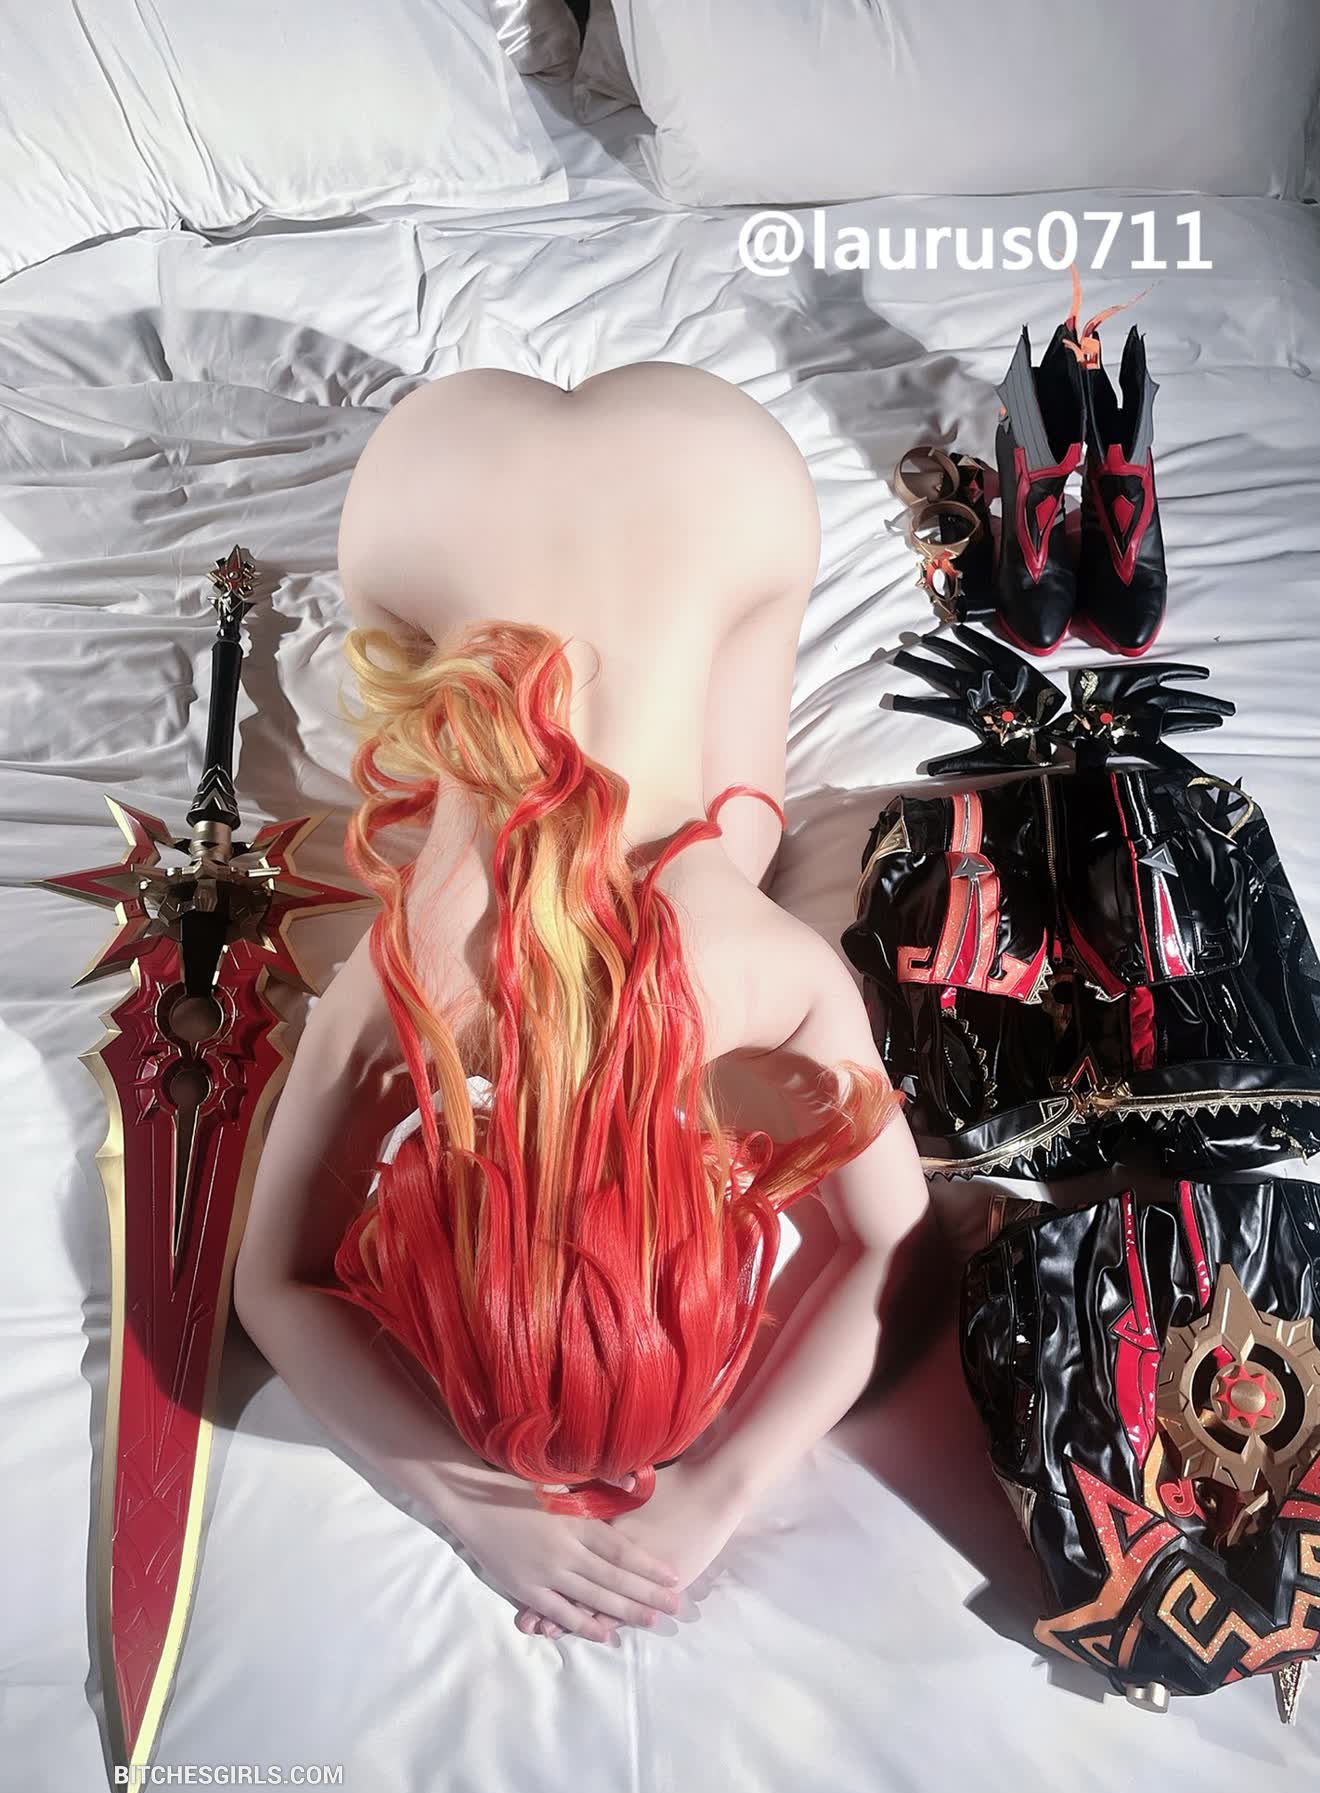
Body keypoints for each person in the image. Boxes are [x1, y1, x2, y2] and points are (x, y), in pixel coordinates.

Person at [232, 363, 934, 1646]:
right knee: (738, 834)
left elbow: (889, 1241)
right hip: (433, 475)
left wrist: (705, 1493)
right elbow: (272, 1286)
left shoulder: (764, 975)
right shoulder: (409, 997)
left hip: (719, 470)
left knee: (737, 836)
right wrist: (473, 1500)